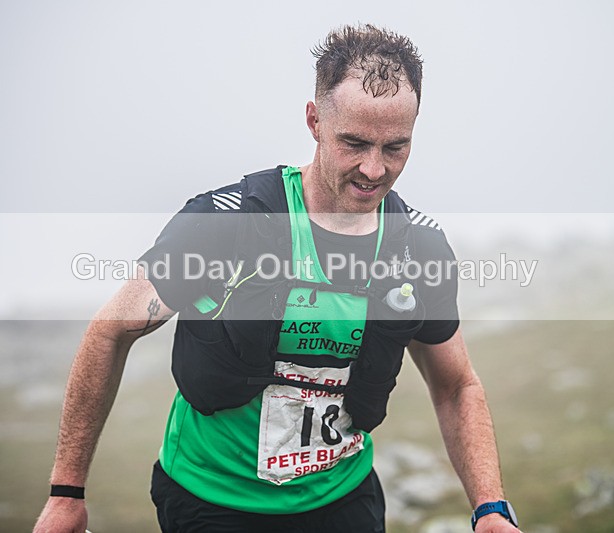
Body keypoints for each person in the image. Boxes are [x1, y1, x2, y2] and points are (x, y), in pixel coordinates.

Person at [34, 24, 521, 533]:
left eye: (395, 148)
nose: (374, 169)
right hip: (211, 500)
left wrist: (490, 509)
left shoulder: (417, 247)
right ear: (314, 121)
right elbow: (111, 330)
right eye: (353, 143)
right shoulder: (228, 223)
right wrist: (67, 493)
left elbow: (456, 386)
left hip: (343, 499)